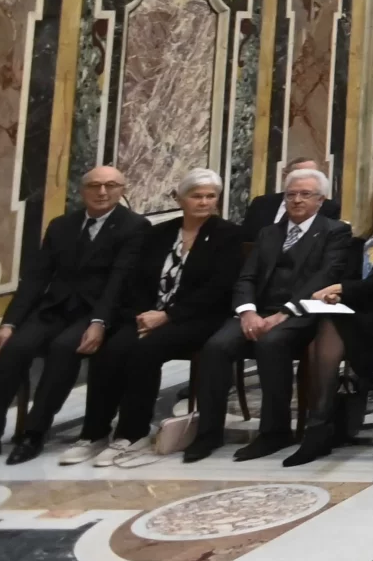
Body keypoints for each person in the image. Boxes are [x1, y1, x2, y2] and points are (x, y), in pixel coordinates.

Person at [64, 170, 241, 468]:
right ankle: (94, 433)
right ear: (179, 198)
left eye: (211, 196)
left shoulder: (228, 234)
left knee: (145, 352)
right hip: (149, 314)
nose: (204, 202)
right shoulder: (159, 233)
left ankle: (132, 434)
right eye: (197, 196)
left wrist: (167, 316)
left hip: (198, 318)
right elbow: (136, 280)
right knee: (111, 348)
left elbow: (218, 289)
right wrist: (143, 315)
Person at [0, 166, 146, 466]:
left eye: (110, 185)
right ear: (82, 190)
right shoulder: (61, 225)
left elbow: (119, 280)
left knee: (64, 349)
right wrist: (9, 323)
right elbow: (36, 278)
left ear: (122, 189)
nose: (102, 192)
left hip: (98, 311)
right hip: (54, 308)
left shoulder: (135, 227)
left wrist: (99, 322)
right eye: (94, 185)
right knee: (12, 350)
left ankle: (34, 434)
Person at [184, 169, 352, 462]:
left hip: (302, 313)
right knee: (216, 347)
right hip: (258, 311)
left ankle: (274, 432)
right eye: (291, 194)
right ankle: (208, 434)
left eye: (305, 194)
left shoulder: (334, 231)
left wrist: (285, 312)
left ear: (321, 200)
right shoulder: (269, 232)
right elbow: (246, 277)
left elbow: (324, 277)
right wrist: (247, 312)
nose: (297, 200)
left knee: (271, 343)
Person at [286, 174, 373, 465]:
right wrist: (337, 295)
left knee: (354, 332)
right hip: (356, 309)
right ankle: (318, 427)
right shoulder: (359, 239)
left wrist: (344, 289)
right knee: (326, 325)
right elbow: (348, 277)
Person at [243, 157, 342, 232]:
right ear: (284, 177)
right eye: (299, 175)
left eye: (313, 175)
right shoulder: (261, 203)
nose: (297, 200)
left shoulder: (330, 207)